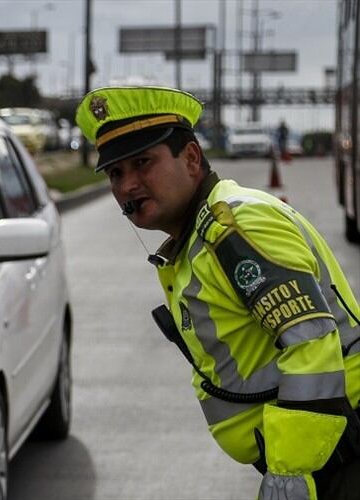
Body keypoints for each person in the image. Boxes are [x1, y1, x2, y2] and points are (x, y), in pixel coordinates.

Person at [75, 86, 360, 500]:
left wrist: (291, 470)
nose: (128, 185)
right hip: (323, 452)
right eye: (116, 173)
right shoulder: (198, 238)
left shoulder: (235, 228)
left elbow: (311, 344)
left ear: (191, 158)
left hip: (334, 456)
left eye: (143, 163)